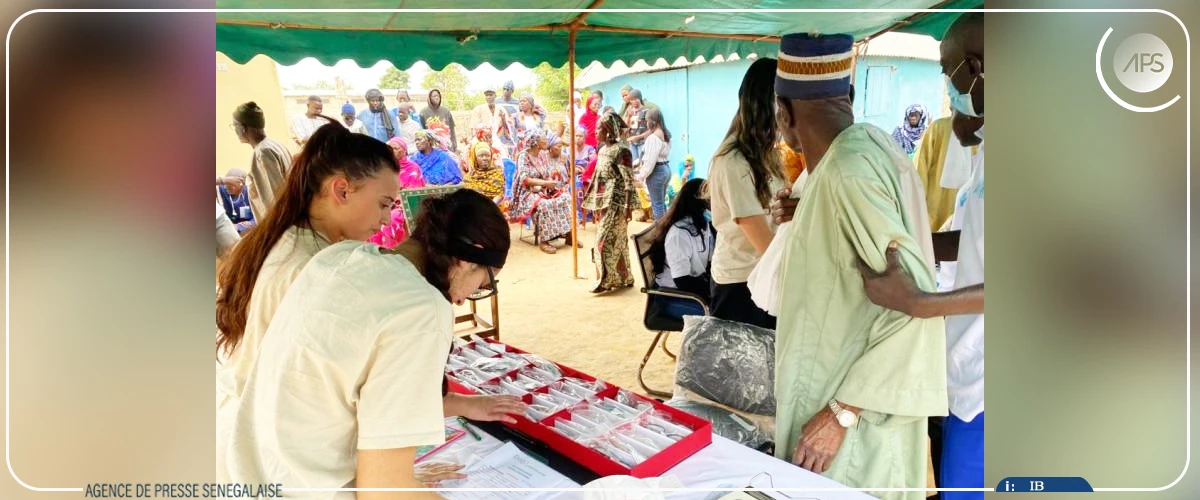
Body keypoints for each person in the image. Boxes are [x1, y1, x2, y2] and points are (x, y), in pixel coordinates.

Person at [215, 124, 523, 486]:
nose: (385, 219)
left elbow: (340, 386)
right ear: (466, 261)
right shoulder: (418, 308)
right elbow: (385, 489)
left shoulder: (337, 258)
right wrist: (399, 478)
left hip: (249, 457)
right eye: (481, 284)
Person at [770, 33, 944, 500]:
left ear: (782, 114)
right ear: (847, 98)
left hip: (848, 427)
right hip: (841, 407)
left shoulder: (850, 170)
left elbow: (915, 305)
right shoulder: (865, 153)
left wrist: (842, 412)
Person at [857, 13, 985, 500]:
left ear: (974, 68)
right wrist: (887, 239)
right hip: (969, 380)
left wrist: (916, 302)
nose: (946, 88)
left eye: (947, 71)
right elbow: (969, 240)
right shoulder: (988, 154)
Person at [704, 58, 783, 330]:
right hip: (740, 284)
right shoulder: (733, 161)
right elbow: (764, 241)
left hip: (763, 274)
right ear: (767, 103)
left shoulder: (767, 153)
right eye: (783, 101)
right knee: (742, 371)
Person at [582, 113, 637, 292]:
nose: (595, 131)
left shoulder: (622, 151)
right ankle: (624, 276)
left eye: (599, 129)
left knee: (603, 240)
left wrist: (627, 207)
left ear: (608, 131)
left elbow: (629, 181)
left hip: (618, 201)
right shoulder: (602, 149)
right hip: (605, 201)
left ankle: (605, 281)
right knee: (617, 240)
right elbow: (599, 178)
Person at [510, 130, 575, 254]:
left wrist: (550, 183)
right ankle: (544, 241)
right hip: (527, 193)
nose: (546, 141)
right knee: (544, 205)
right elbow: (525, 179)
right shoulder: (523, 156)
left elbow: (547, 173)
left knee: (566, 198)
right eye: (543, 139)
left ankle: (568, 235)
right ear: (535, 143)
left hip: (543, 189)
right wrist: (545, 183)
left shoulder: (542, 154)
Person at [648, 178, 713, 298]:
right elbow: (682, 281)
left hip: (694, 285)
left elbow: (710, 262)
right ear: (699, 202)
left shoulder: (703, 224)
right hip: (676, 295)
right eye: (711, 198)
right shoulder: (679, 234)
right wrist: (712, 291)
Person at [231, 101, 293, 220]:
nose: (234, 130)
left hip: (280, 223)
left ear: (242, 128)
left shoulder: (263, 152)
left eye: (234, 126)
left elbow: (273, 199)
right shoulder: (273, 144)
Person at [635, 107, 672, 220]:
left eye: (646, 121)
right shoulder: (666, 135)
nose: (646, 123)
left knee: (657, 206)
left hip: (657, 171)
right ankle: (665, 231)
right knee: (661, 204)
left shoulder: (653, 138)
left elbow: (650, 161)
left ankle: (660, 234)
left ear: (652, 121)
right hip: (666, 168)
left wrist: (640, 176)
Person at [218, 168, 255, 233]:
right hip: (227, 230)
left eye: (231, 185)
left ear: (242, 184)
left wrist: (239, 226)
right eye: (226, 183)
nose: (226, 187)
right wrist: (222, 180)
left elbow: (259, 217)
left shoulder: (250, 192)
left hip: (246, 231)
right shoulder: (221, 189)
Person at [623, 89, 649, 159]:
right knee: (634, 165)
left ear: (640, 98)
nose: (634, 101)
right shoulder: (631, 111)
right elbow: (629, 127)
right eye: (631, 99)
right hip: (632, 144)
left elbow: (650, 130)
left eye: (636, 99)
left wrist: (638, 137)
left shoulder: (646, 111)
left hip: (642, 143)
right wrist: (629, 116)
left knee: (642, 165)